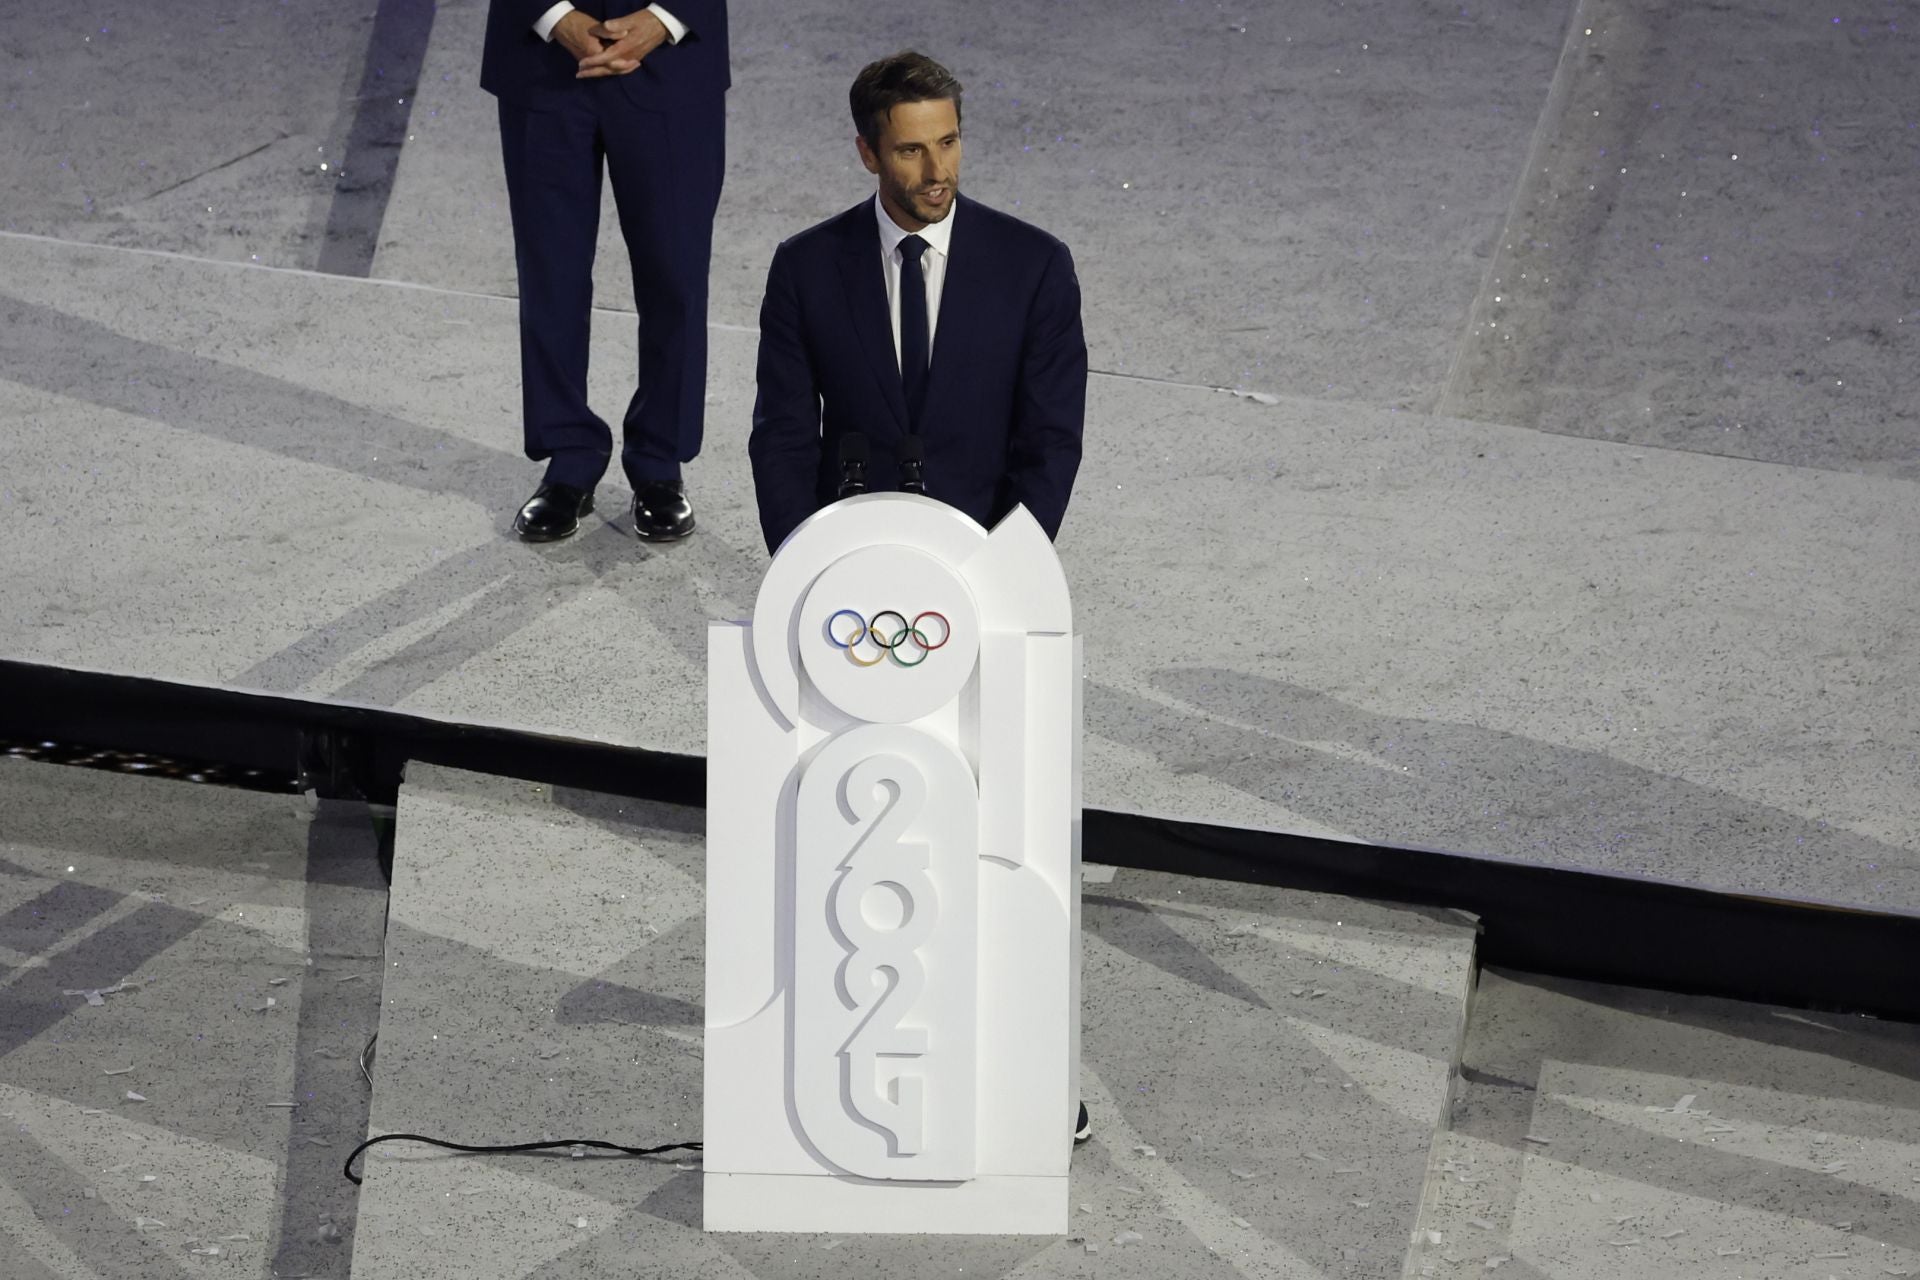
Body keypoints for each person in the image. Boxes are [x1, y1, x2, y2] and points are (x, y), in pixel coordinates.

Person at [748, 51, 1087, 555]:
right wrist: (804, 561)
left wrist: (1011, 564)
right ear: (868, 154)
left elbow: (1050, 442)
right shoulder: (806, 268)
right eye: (910, 151)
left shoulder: (1034, 266)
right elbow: (782, 438)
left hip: (985, 553)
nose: (937, 171)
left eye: (947, 143)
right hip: (847, 554)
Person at [481, 0, 729, 542]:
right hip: (541, 58)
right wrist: (554, 16)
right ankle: (569, 455)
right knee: (551, 274)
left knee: (676, 273)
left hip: (672, 63)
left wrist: (665, 18)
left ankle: (660, 460)